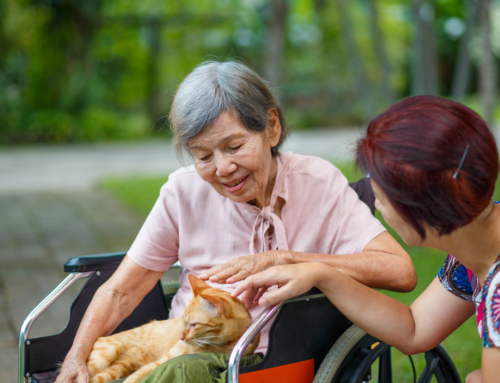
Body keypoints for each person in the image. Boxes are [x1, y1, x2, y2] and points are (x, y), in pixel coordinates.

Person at [55, 61, 416, 383]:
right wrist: (76, 355)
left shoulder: (317, 183)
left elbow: (399, 271)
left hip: (268, 360)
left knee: (181, 372)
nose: (223, 169)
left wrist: (292, 259)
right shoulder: (183, 192)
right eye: (203, 155)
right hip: (185, 346)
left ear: (271, 128)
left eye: (234, 146)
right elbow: (120, 291)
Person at [233, 95, 500, 382]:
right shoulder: (471, 256)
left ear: (423, 207)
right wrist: (322, 274)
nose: (379, 207)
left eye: (382, 198)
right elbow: (415, 329)